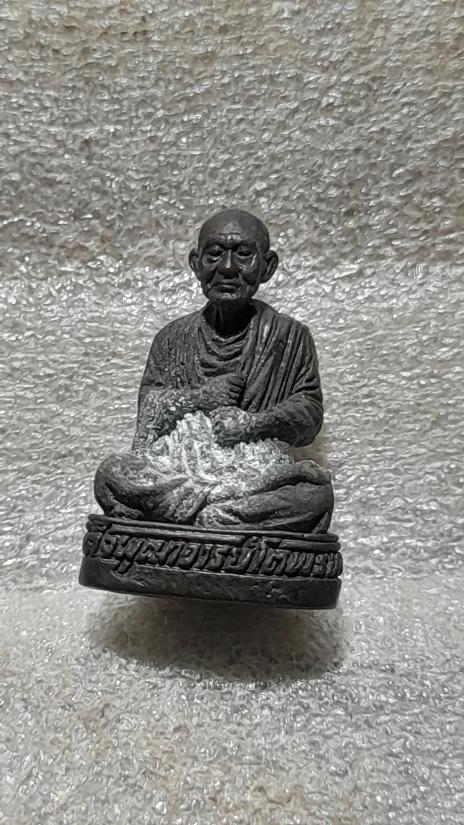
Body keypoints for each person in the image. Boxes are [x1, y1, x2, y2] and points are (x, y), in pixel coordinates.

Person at [94, 209, 334, 533]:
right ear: (196, 263)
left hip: (254, 475)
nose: (228, 267)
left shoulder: (290, 337)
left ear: (267, 267)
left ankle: (198, 517)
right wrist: (201, 397)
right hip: (180, 467)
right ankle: (223, 516)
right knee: (111, 473)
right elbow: (149, 415)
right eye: (215, 254)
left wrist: (252, 424)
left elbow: (308, 416)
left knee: (314, 495)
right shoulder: (172, 338)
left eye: (244, 254)